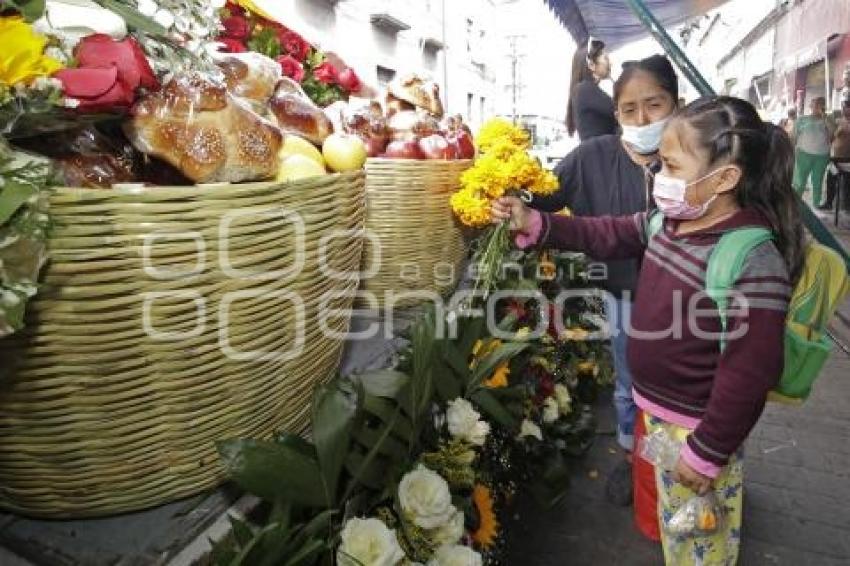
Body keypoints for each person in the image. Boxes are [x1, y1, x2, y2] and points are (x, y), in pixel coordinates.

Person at [493, 95, 802, 565]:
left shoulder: (751, 261)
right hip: (658, 415)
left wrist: (706, 453)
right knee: (677, 526)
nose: (660, 177)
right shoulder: (669, 224)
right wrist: (539, 223)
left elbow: (750, 374)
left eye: (673, 167)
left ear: (724, 178)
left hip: (698, 431)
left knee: (703, 539)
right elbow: (606, 233)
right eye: (661, 164)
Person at [530, 54, 679, 507]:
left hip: (689, 295)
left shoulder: (693, 156)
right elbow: (545, 195)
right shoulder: (592, 156)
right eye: (629, 109)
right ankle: (635, 461)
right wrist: (506, 190)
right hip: (626, 297)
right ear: (615, 114)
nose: (641, 118)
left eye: (654, 105)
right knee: (629, 383)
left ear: (676, 103)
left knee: (686, 384)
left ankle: (686, 467)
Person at [566, 37, 617, 141]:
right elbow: (621, 111)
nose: (611, 63)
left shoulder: (584, 90)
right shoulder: (585, 90)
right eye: (606, 58)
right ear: (591, 65)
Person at [793, 96, 832, 206]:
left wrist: (825, 118)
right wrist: (791, 152)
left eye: (821, 104)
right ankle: (795, 204)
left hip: (822, 155)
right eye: (815, 104)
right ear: (811, 106)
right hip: (803, 154)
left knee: (818, 181)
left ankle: (816, 204)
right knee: (799, 182)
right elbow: (793, 137)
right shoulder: (801, 119)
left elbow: (833, 134)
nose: (818, 107)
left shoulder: (828, 120)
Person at [823, 96, 850, 210]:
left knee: (847, 183)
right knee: (831, 178)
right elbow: (833, 135)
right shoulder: (839, 120)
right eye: (843, 107)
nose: (843, 109)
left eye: (846, 108)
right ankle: (829, 203)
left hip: (848, 158)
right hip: (836, 157)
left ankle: (847, 206)